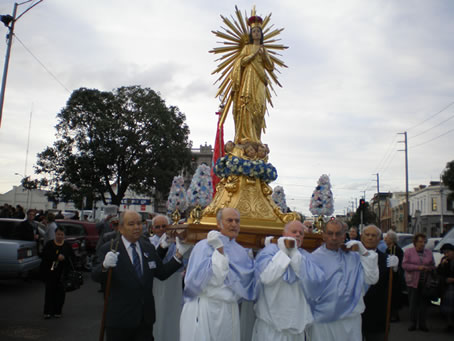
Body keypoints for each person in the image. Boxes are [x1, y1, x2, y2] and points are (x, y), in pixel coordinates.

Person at [92, 210, 190, 341]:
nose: (136, 227)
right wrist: (104, 266)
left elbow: (162, 273)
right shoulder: (110, 248)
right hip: (120, 320)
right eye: (131, 224)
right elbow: (95, 275)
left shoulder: (147, 247)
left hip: (145, 319)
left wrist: (179, 254)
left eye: (139, 223)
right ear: (121, 228)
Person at [179, 208, 255, 341]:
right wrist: (219, 251)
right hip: (206, 307)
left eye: (237, 221)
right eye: (229, 220)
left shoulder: (241, 251)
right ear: (219, 224)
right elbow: (208, 280)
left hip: (229, 310)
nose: (234, 224)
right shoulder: (203, 246)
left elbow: (247, 281)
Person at [306, 219, 379, 341]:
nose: (334, 237)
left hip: (350, 321)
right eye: (330, 233)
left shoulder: (355, 257)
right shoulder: (313, 259)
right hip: (324, 322)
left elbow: (372, 279)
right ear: (323, 235)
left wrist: (363, 252)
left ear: (344, 235)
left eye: (338, 233)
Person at [252, 220, 324, 340]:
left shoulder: (306, 257)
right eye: (294, 232)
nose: (297, 235)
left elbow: (315, 283)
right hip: (271, 326)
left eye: (301, 233)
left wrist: (294, 254)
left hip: (296, 325)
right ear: (284, 233)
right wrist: (284, 252)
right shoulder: (269, 252)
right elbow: (266, 278)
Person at [231, 16, 274, 145]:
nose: (256, 33)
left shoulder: (264, 49)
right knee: (247, 105)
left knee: (259, 107)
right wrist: (254, 55)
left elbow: (271, 67)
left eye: (258, 31)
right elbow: (241, 62)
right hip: (248, 78)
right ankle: (246, 137)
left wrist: (264, 54)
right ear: (251, 34)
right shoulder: (247, 48)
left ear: (261, 34)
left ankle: (256, 137)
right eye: (254, 31)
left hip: (260, 80)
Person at [148, 214, 185, 341]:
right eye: (157, 227)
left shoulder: (177, 240)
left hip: (174, 280)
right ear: (152, 229)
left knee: (173, 311)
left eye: (164, 226)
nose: (161, 229)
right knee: (158, 311)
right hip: (156, 282)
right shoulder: (149, 243)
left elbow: (184, 260)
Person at [361, 225, 399, 341]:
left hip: (377, 312)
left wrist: (396, 270)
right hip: (355, 312)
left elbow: (395, 287)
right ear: (362, 237)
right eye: (367, 235)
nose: (370, 238)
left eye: (374, 235)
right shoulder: (352, 257)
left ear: (379, 239)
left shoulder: (386, 259)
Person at [402, 233, 435, 332]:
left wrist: (429, 268)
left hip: (425, 282)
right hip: (412, 281)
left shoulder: (429, 252)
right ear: (415, 242)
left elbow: (433, 265)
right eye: (420, 242)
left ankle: (422, 324)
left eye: (424, 242)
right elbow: (404, 265)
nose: (422, 244)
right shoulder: (408, 252)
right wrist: (418, 267)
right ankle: (413, 323)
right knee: (413, 303)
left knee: (424, 304)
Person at [40, 226, 74, 319]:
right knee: (49, 292)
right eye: (58, 234)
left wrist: (64, 258)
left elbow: (72, 257)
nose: (59, 236)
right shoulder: (49, 244)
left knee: (60, 293)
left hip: (62, 273)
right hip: (50, 272)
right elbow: (44, 255)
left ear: (64, 235)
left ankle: (57, 311)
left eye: (62, 235)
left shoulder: (67, 245)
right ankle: (47, 311)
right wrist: (55, 257)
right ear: (55, 234)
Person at [384, 230, 405, 322]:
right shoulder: (387, 249)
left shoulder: (396, 249)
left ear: (392, 239)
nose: (385, 239)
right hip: (388, 275)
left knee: (394, 295)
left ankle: (394, 314)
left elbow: (400, 262)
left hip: (395, 276)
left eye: (387, 237)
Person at [437, 243, 454, 332]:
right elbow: (439, 273)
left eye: (448, 252)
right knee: (447, 308)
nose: (446, 255)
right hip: (447, 287)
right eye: (444, 253)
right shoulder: (444, 260)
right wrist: (442, 265)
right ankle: (449, 324)